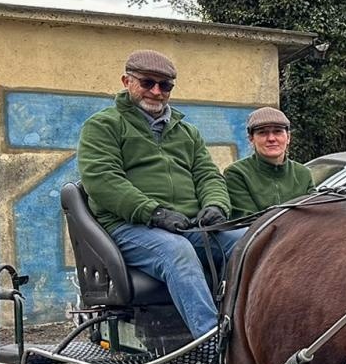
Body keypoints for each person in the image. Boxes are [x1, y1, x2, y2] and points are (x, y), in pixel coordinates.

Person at [76, 50, 244, 339]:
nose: (156, 91)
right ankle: (213, 344)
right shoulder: (103, 126)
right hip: (130, 228)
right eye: (147, 83)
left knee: (249, 240)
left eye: (164, 86)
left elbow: (208, 175)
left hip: (186, 225)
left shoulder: (187, 132)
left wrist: (216, 205)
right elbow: (103, 181)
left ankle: (248, 328)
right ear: (126, 81)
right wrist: (154, 212)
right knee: (176, 251)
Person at [223, 107, 314, 217]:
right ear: (251, 139)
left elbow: (314, 216)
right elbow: (248, 221)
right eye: (262, 133)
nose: (271, 138)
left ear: (288, 137)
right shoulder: (237, 174)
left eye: (277, 131)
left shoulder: (303, 174)